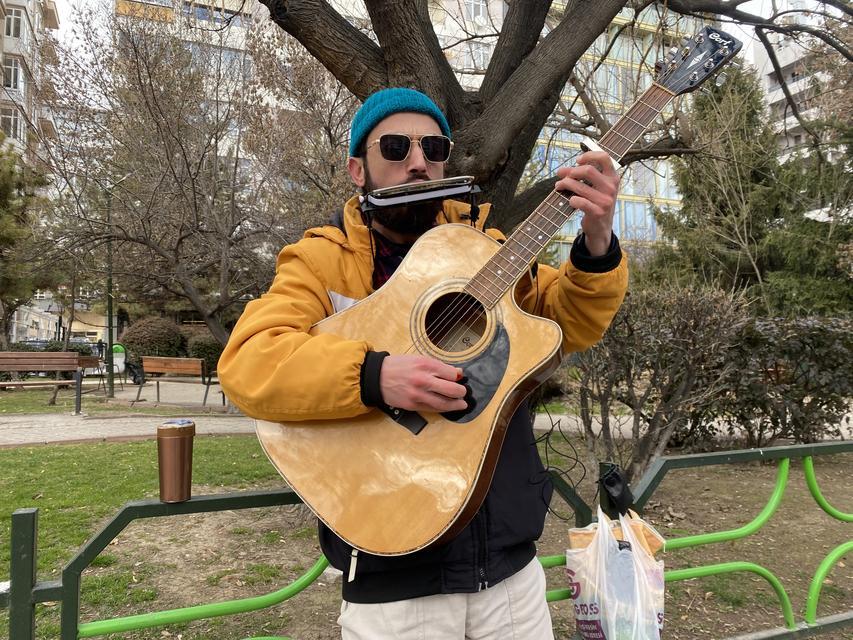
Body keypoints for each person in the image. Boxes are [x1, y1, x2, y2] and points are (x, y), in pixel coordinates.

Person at [218, 87, 628, 639]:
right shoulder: (322, 259)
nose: (418, 162)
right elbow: (250, 360)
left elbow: (567, 323)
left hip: (510, 563)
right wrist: (374, 375)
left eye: (433, 148)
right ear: (357, 170)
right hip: (393, 572)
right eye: (395, 147)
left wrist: (597, 241)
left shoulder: (488, 248)